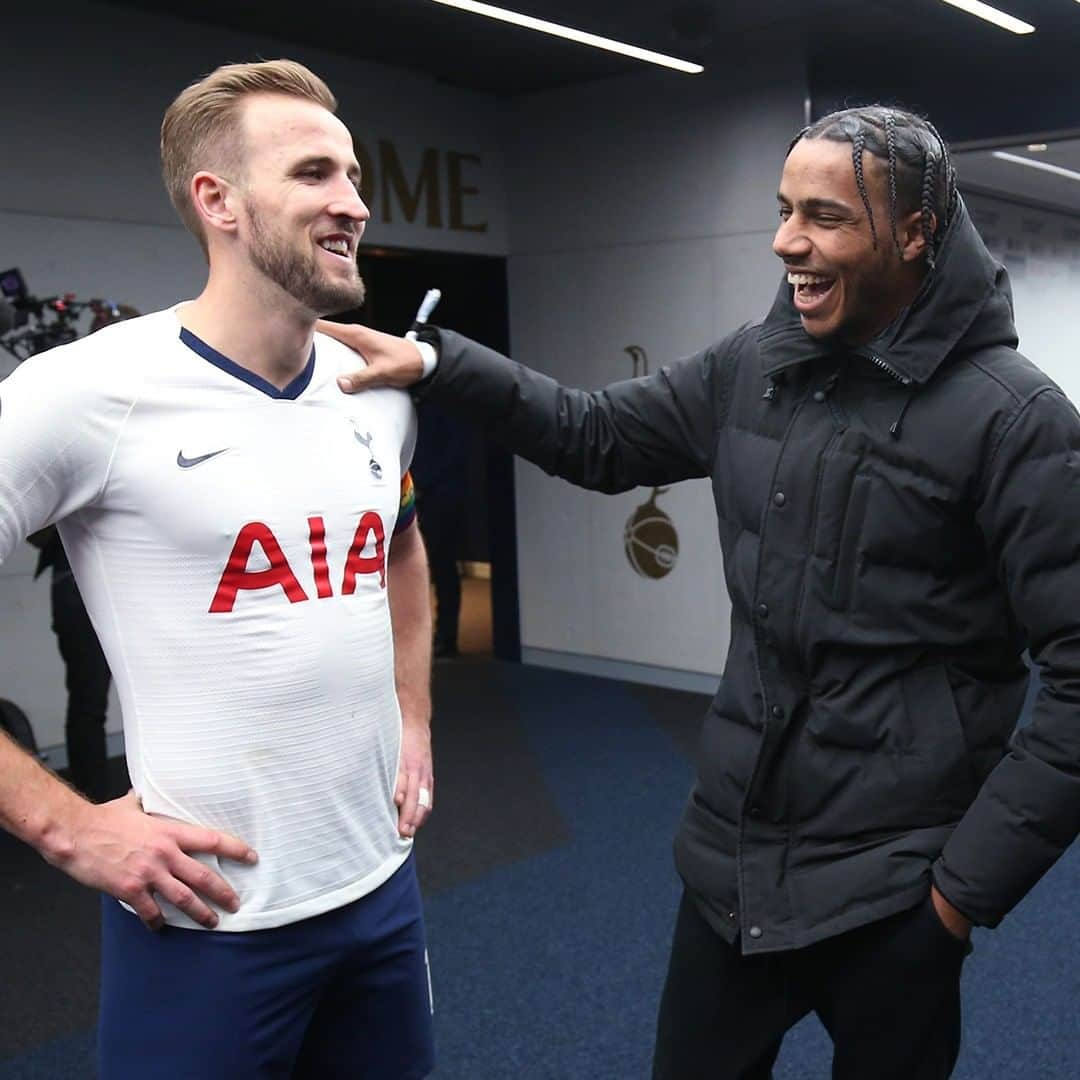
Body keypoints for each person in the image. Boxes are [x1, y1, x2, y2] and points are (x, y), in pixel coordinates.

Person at [321, 105, 1080, 1078]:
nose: (786, 241)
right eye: (782, 210)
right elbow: (594, 435)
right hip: (733, 864)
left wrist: (958, 898)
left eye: (826, 217)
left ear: (917, 234)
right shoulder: (753, 367)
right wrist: (437, 363)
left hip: (897, 893)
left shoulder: (1016, 421)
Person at [0, 60, 435, 1079]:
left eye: (356, 176)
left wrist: (412, 711)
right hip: (209, 927)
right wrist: (63, 825)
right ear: (219, 202)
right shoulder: (81, 393)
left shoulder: (374, 386)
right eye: (317, 174)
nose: (355, 204)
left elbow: (403, 548)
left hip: (382, 892)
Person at [412, 402, 470, 657]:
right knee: (413, 568)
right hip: (417, 494)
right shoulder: (412, 404)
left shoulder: (445, 404)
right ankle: (430, 637)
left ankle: (446, 637)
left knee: (443, 567)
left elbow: (455, 453)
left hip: (441, 496)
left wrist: (422, 483)